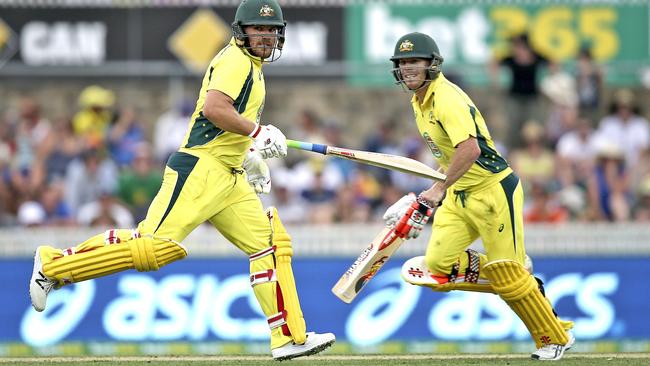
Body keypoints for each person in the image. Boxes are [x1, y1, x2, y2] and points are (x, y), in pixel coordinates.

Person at [28, 0, 334, 360]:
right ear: (242, 31)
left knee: (270, 245)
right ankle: (53, 266)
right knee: (156, 247)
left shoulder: (253, 66)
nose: (266, 36)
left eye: (271, 30)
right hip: (200, 169)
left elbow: (224, 123)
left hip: (228, 174)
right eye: (258, 29)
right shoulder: (236, 60)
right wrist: (257, 131)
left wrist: (247, 154)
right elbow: (214, 109)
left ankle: (287, 337)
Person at [382, 32, 574, 360]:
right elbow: (447, 157)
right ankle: (515, 273)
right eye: (402, 63)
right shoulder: (418, 101)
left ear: (432, 64)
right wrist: (424, 195)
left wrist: (436, 190)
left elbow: (469, 150)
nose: (407, 68)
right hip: (459, 194)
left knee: (508, 277)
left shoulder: (446, 98)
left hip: (493, 190)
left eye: (414, 61)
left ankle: (553, 336)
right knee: (438, 267)